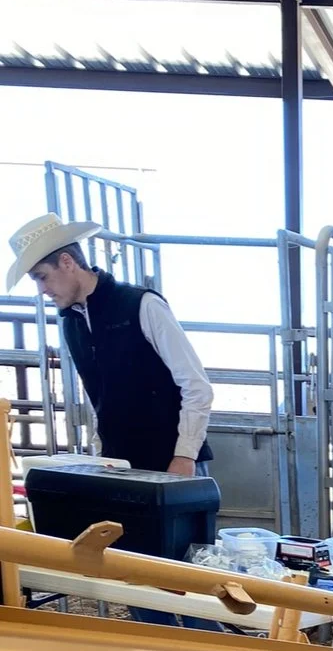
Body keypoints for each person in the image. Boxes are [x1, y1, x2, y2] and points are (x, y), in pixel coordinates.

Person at [6, 213, 218, 629]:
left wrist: (184, 457)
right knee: (133, 579)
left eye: (43, 277)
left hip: (175, 463)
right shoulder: (72, 323)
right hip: (123, 467)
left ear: (68, 262)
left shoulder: (142, 305)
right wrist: (104, 458)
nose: (43, 289)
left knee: (191, 582)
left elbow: (197, 386)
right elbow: (101, 398)